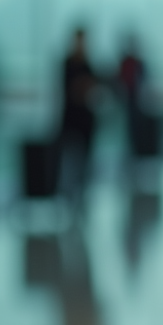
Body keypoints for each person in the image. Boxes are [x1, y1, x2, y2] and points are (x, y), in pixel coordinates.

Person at [59, 28, 98, 201]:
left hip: (86, 121)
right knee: (69, 159)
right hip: (70, 120)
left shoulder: (88, 64)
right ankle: (68, 193)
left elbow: (89, 89)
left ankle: (81, 193)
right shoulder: (67, 63)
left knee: (84, 161)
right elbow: (72, 90)